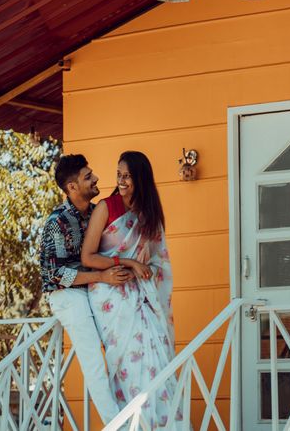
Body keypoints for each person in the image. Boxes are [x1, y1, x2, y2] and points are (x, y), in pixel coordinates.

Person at [40, 154, 145, 425]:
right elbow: (53, 274)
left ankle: (140, 417)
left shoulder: (97, 211)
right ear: (72, 187)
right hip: (69, 294)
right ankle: (118, 426)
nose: (96, 178)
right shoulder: (57, 222)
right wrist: (101, 275)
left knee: (123, 352)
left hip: (97, 287)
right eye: (88, 177)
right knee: (95, 365)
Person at [81, 151, 178, 428]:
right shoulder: (106, 208)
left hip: (142, 299)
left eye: (127, 176)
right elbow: (88, 257)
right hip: (111, 294)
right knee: (127, 367)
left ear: (141, 179)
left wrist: (144, 265)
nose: (121, 181)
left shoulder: (149, 216)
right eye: (119, 175)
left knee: (155, 365)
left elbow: (159, 262)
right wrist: (129, 262)